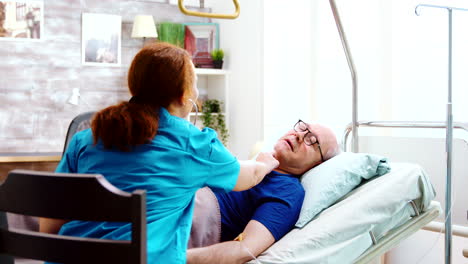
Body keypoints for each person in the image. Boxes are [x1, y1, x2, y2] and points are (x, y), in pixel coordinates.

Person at [39, 42, 279, 264]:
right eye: (193, 83)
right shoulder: (193, 143)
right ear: (184, 95)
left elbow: (50, 222)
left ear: (134, 85)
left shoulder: (85, 138)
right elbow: (248, 177)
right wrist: (265, 162)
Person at [187, 120, 340, 264]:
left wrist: (176, 258)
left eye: (312, 140)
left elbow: (245, 249)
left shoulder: (288, 191)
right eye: (302, 127)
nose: (299, 135)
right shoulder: (255, 165)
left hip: (190, 220)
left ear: (317, 164)